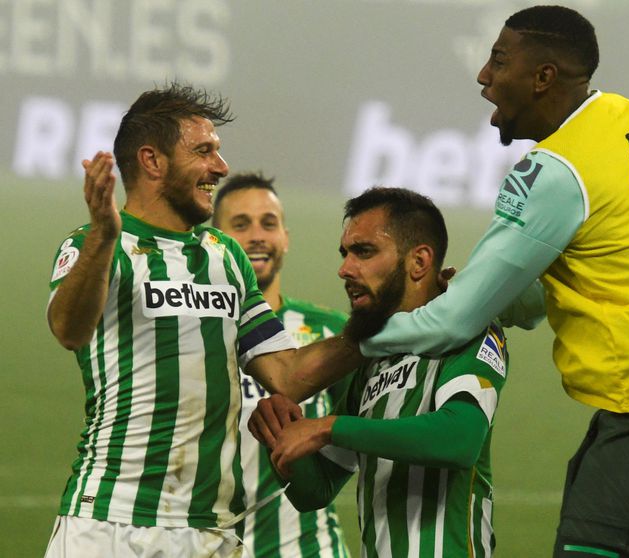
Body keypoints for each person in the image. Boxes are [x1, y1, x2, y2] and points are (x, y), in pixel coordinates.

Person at [352, 6, 629, 558]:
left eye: (499, 61)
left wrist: (352, 343)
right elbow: (556, 286)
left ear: (542, 77)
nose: (483, 76)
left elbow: (452, 324)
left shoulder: (554, 171)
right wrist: (488, 293)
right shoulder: (627, 116)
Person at [44, 82, 361, 558]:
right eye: (204, 151)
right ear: (153, 161)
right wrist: (104, 237)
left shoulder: (225, 257)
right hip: (110, 522)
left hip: (207, 530)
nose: (221, 166)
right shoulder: (96, 245)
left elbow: (287, 374)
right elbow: (69, 330)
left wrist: (386, 324)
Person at [252, 187, 510, 558]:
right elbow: (316, 490)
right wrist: (279, 434)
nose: (345, 269)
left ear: (419, 261)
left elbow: (460, 438)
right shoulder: (371, 357)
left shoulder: (471, 332)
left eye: (364, 251)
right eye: (345, 253)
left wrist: (327, 427)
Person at [212, 173, 351, 558]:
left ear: (285, 237)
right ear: (213, 240)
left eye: (268, 223)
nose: (257, 236)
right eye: (241, 225)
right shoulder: (189, 335)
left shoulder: (331, 335)